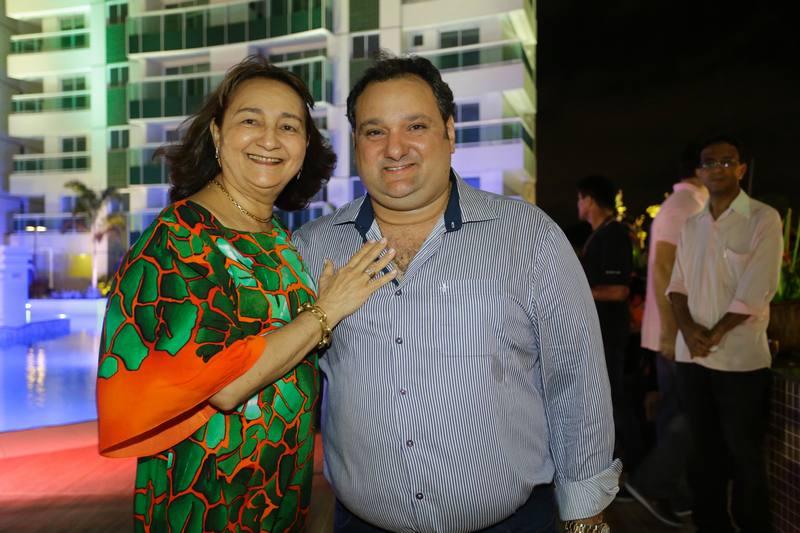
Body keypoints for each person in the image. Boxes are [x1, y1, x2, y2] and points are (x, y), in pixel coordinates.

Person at [293, 53, 619, 533]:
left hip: (512, 524)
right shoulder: (313, 247)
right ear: (356, 142)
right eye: (375, 131)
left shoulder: (529, 237)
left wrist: (585, 516)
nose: (395, 148)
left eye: (416, 126)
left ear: (449, 131)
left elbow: (576, 379)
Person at [95, 56, 397, 532]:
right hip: (206, 501)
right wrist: (326, 311)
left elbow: (291, 348)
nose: (270, 140)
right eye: (250, 120)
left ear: (304, 147)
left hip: (277, 496)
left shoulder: (277, 238)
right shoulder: (182, 237)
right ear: (217, 134)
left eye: (289, 126)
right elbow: (224, 383)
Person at [668, 136, 782, 533]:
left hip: (740, 361)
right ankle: (711, 525)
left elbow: (757, 288)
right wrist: (689, 330)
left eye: (727, 161)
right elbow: (676, 286)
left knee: (745, 456)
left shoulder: (763, 219)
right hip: (692, 359)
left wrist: (714, 333)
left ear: (741, 169)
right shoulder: (692, 225)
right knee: (702, 454)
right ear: (699, 172)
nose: (718, 168)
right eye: (709, 162)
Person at [626, 144, 708, 526]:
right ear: (700, 170)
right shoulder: (684, 207)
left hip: (678, 332)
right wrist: (673, 334)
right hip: (678, 333)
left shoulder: (687, 205)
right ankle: (652, 484)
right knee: (691, 413)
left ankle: (675, 494)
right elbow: (662, 269)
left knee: (676, 413)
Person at [576, 175, 634, 464]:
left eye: (579, 199)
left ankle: (625, 462)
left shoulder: (613, 235)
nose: (577, 205)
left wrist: (575, 291)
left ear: (590, 200)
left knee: (611, 399)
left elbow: (619, 290)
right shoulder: (600, 234)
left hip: (608, 334)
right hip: (599, 334)